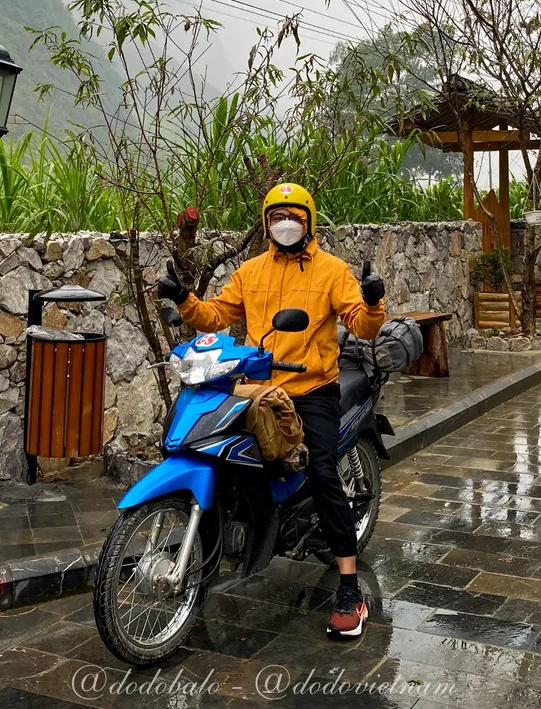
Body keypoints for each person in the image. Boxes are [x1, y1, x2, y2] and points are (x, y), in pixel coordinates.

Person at [157, 183, 385, 639]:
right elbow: (216, 315)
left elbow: (361, 323)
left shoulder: (332, 270)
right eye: (278, 215)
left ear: (309, 222)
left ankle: (347, 587)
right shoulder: (251, 271)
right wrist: (182, 298)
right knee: (219, 452)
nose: (286, 223)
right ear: (266, 223)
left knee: (322, 473)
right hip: (258, 389)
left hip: (311, 390)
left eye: (295, 216)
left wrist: (374, 300)